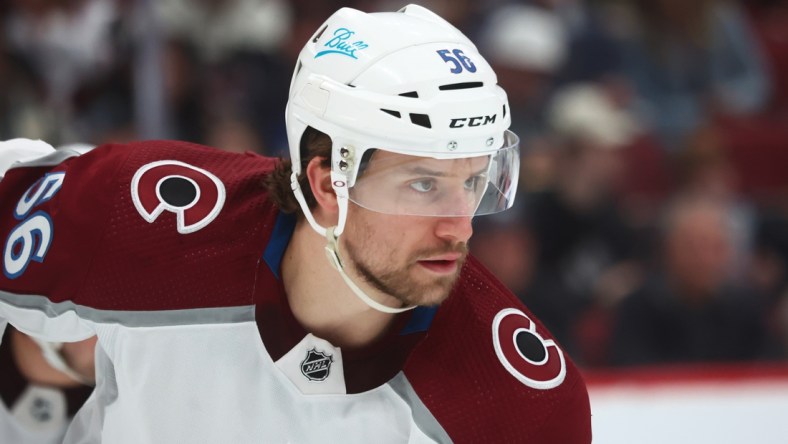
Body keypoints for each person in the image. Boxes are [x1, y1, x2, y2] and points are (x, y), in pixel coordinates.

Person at [0, 5, 591, 443]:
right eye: (422, 184)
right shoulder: (146, 215)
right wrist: (45, 370)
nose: (458, 228)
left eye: (472, 183)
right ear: (327, 183)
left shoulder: (517, 407)